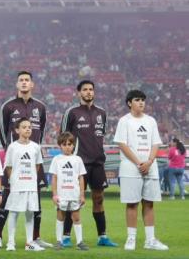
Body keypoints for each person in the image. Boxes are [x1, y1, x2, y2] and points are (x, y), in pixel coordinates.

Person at [0, 71, 51, 248]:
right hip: (14, 161)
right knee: (6, 198)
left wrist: (34, 153)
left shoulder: (40, 107)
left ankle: (35, 237)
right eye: (21, 80)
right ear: (17, 84)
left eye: (27, 80)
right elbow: (3, 132)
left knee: (36, 200)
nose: (24, 83)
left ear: (32, 84)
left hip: (33, 159)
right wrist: (12, 153)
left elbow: (40, 132)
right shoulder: (8, 106)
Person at [59, 80, 117, 247]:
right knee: (73, 199)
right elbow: (63, 137)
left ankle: (102, 237)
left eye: (91, 89)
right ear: (79, 93)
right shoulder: (72, 112)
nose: (89, 92)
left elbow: (101, 135)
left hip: (98, 162)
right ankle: (66, 237)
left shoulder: (102, 113)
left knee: (99, 199)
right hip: (79, 163)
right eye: (85, 90)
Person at [114, 90, 168, 251]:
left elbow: (156, 143)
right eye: (137, 100)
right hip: (131, 168)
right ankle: (131, 239)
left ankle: (150, 240)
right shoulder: (124, 121)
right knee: (132, 204)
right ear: (129, 103)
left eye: (143, 100)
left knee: (149, 203)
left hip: (150, 167)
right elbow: (122, 144)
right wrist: (139, 163)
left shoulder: (151, 121)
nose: (141, 103)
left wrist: (149, 161)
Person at [2, 118, 44, 251]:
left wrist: (30, 179)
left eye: (30, 127)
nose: (28, 129)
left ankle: (29, 243)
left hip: (31, 186)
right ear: (17, 130)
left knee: (30, 214)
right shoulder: (12, 147)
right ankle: (10, 242)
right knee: (13, 213)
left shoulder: (36, 147)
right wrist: (14, 179)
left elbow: (37, 166)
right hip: (17, 186)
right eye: (24, 127)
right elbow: (8, 167)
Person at [48, 132, 88, 250]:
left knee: (76, 217)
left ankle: (80, 242)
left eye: (69, 144)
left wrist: (82, 195)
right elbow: (54, 177)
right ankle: (59, 241)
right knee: (60, 217)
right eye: (64, 144)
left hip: (74, 195)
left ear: (73, 145)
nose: (67, 146)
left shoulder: (78, 159)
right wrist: (54, 195)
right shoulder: (57, 159)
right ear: (60, 145)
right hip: (62, 195)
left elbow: (81, 177)